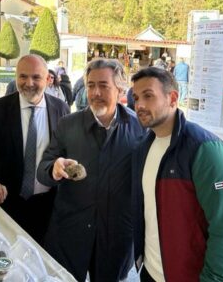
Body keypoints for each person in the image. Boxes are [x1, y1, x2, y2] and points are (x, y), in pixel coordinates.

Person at [131, 67, 223, 282]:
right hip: (150, 273)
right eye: (136, 97)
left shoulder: (206, 150)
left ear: (173, 98)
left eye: (148, 96)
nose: (139, 105)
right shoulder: (142, 148)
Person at [37, 59, 145, 282]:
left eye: (104, 85)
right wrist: (54, 169)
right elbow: (42, 169)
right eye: (91, 85)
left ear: (120, 89)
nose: (96, 92)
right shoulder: (68, 124)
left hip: (116, 236)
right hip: (69, 231)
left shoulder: (139, 128)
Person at [0, 54, 70, 245]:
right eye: (23, 77)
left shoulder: (62, 110)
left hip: (47, 207)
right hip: (7, 204)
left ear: (48, 79)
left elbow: (67, 153)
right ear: (16, 77)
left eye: (36, 77)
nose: (29, 83)